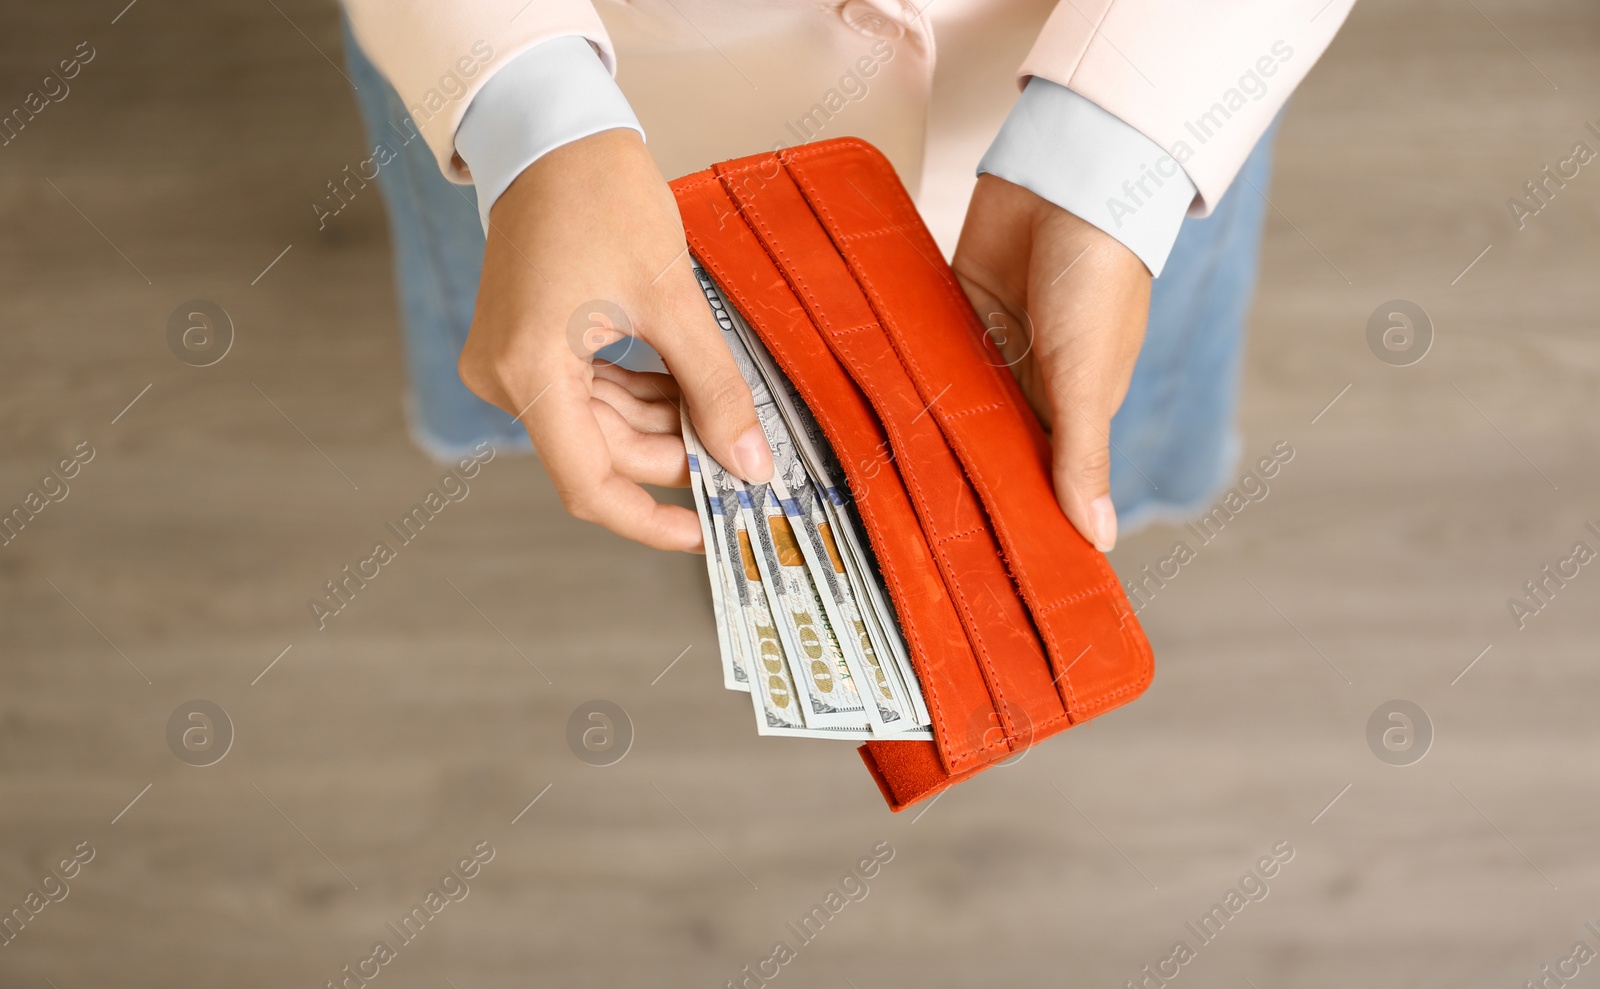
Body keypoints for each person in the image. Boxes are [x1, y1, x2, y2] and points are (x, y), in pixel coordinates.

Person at [338, 0, 1353, 554]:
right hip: (596, 109)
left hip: (1131, 84)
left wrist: (1121, 140)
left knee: (1074, 421)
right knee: (600, 377)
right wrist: (531, 109)